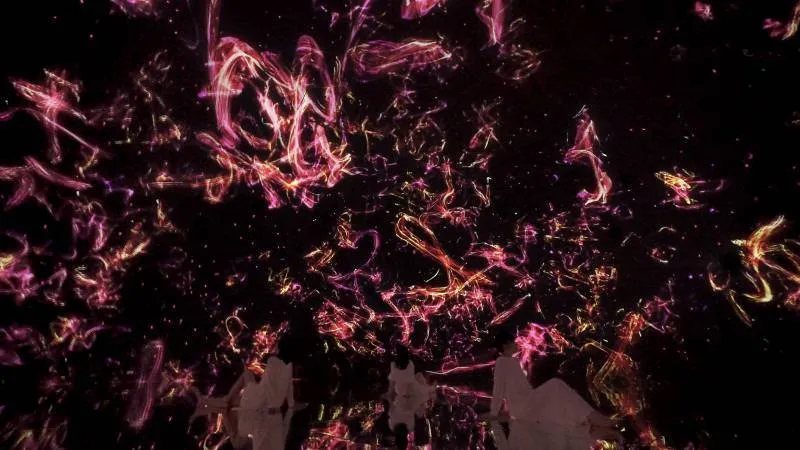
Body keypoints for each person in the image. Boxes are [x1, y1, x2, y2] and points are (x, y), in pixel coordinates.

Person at [483, 329, 622, 449]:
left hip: (528, 402)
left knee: (557, 393)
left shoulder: (513, 361)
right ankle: (596, 419)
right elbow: (498, 390)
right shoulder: (501, 363)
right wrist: (494, 413)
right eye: (513, 342)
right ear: (505, 345)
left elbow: (521, 389)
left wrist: (537, 397)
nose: (517, 344)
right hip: (523, 408)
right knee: (556, 385)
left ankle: (591, 421)